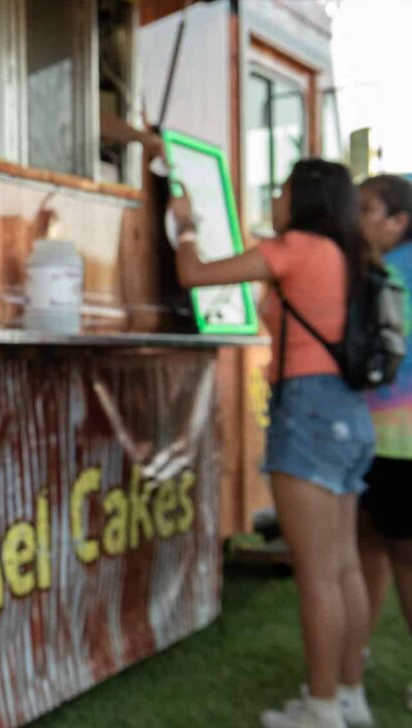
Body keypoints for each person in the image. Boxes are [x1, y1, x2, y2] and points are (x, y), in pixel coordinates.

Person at [168, 159, 378, 728]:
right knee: (343, 566)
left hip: (307, 413)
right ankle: (349, 697)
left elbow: (194, 274)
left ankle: (320, 708)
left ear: (304, 199)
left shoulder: (298, 246)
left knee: (316, 574)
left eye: (283, 190)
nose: (277, 199)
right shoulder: (349, 254)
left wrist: (185, 224)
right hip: (349, 414)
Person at [356, 174, 412, 712]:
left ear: (398, 221)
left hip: (401, 443)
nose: (356, 216)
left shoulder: (394, 272)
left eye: (366, 208)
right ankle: (356, 652)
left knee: (404, 559)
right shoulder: (368, 268)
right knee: (367, 547)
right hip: (365, 438)